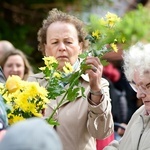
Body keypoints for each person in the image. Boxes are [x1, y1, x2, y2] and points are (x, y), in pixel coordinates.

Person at [28, 8, 114, 150]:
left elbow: (102, 132)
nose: (62, 48)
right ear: (46, 48)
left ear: (80, 46)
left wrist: (95, 90)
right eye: (55, 42)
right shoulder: (32, 84)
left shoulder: (97, 85)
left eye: (68, 42)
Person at [104, 43, 150, 150]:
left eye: (147, 86)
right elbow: (122, 146)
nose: (139, 94)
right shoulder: (141, 113)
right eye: (137, 86)